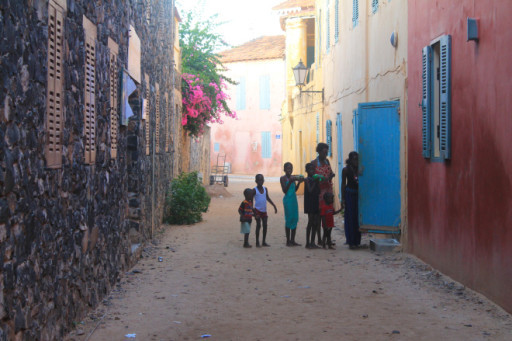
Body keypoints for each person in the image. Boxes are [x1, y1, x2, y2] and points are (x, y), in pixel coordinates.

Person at [312, 142, 336, 244]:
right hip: (319, 192)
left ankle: (328, 238)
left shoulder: (327, 162)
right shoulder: (313, 163)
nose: (325, 154)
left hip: (328, 192)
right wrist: (321, 178)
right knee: (319, 216)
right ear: (319, 151)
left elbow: (330, 173)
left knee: (328, 215)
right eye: (324, 152)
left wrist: (331, 176)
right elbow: (312, 177)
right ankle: (320, 239)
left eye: (327, 152)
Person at [280, 162, 304, 246]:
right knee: (288, 219)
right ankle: (288, 241)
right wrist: (290, 181)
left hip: (294, 200)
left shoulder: (293, 178)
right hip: (287, 201)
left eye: (291, 168)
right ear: (284, 169)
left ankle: (293, 240)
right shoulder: (282, 178)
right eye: (288, 168)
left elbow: (295, 190)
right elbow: (284, 191)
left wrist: (299, 183)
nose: (289, 170)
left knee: (295, 218)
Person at [341, 151, 361, 249]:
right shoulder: (346, 170)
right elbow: (343, 184)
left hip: (358, 195)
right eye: (354, 159)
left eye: (357, 159)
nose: (355, 161)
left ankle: (357, 241)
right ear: (350, 160)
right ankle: (350, 241)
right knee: (350, 218)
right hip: (350, 194)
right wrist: (343, 198)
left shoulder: (359, 170)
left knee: (357, 217)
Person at [253, 174, 278, 247]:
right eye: (259, 180)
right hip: (257, 210)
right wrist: (254, 212)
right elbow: (251, 202)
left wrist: (274, 206)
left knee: (265, 225)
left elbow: (267, 198)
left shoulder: (265, 189)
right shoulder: (254, 190)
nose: (261, 181)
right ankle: (257, 242)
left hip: (264, 211)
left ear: (263, 180)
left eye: (262, 180)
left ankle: (264, 241)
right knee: (258, 226)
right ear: (256, 181)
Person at [304, 163, 321, 249]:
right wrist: (315, 182)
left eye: (313, 169)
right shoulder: (307, 179)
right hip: (309, 202)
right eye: (310, 169)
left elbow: (318, 191)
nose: (312, 171)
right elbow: (310, 190)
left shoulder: (314, 179)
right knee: (310, 222)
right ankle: (307, 242)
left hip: (315, 201)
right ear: (306, 171)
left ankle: (313, 242)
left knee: (315, 222)